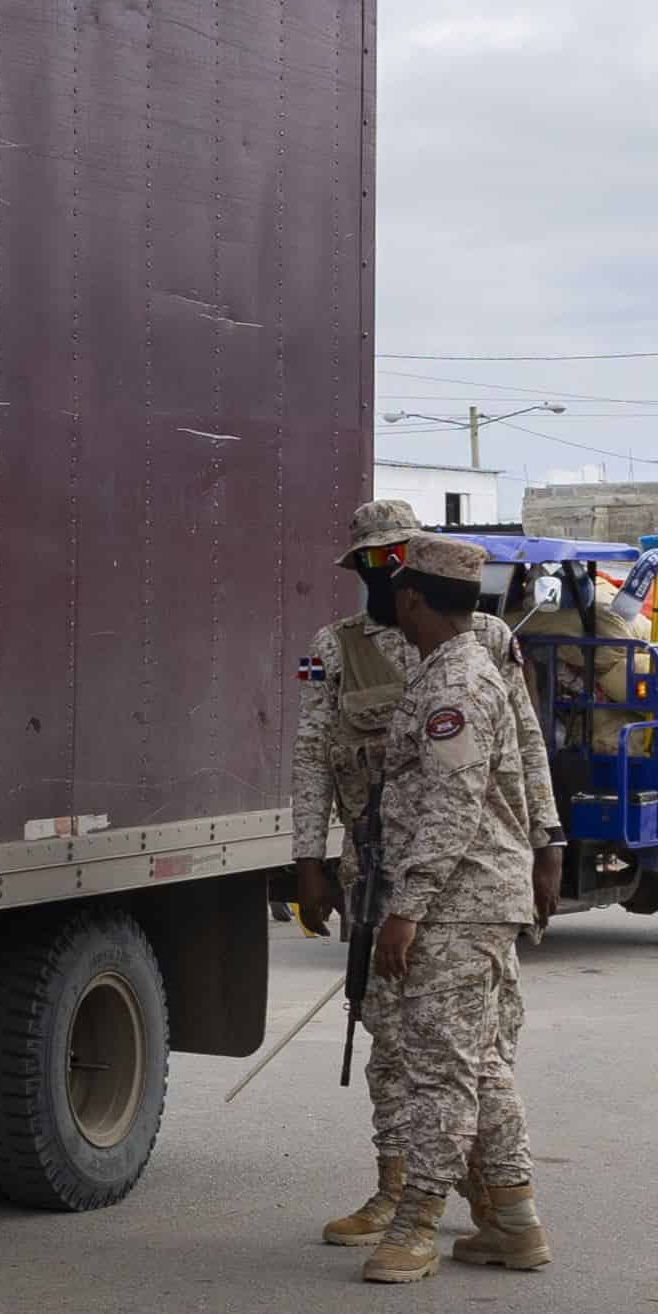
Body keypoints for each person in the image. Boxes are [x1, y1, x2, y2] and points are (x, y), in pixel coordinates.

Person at [344, 536, 560, 1288]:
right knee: (484, 1065)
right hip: (475, 899)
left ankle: (418, 1226)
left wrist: (407, 909)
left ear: (410, 600)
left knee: (440, 1070)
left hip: (454, 905)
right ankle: (513, 1221)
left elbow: (452, 803)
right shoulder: (464, 668)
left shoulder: (455, 685)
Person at [286, 496, 433, 1245]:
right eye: (372, 560)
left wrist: (545, 839)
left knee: (461, 1040)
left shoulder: (469, 639)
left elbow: (518, 750)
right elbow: (312, 753)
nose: (386, 570)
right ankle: (398, 1188)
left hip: (454, 870)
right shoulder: (334, 647)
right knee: (387, 1034)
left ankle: (477, 1187)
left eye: (397, 555)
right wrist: (307, 860)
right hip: (370, 866)